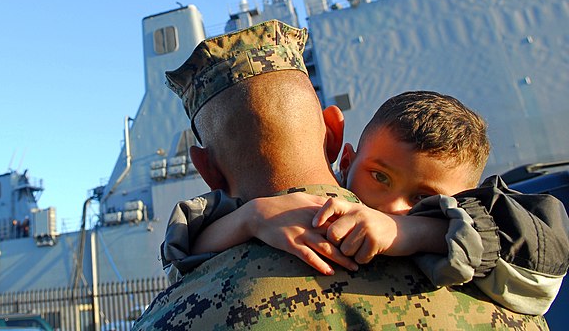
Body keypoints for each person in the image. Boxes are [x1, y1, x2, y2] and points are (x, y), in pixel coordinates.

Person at [133, 20, 548, 330]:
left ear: (206, 169)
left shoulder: (170, 316)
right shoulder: (495, 288)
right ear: (335, 135)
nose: (398, 209)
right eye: (382, 178)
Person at [166, 90, 569, 315]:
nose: (392, 205)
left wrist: (417, 230)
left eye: (423, 197)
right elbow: (186, 257)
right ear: (345, 160)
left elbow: (541, 255)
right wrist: (250, 218)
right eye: (379, 177)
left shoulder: (474, 231)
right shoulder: (311, 213)